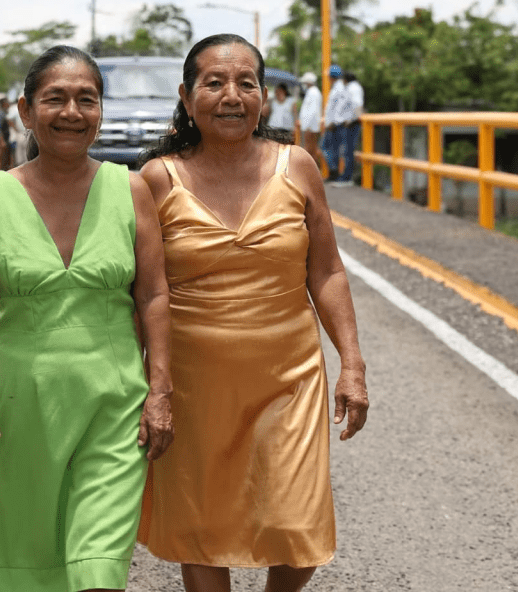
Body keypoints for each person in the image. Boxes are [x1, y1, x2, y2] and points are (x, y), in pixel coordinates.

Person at [136, 34, 369, 592]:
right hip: (193, 383)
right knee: (202, 527)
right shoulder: (156, 180)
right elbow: (140, 291)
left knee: (295, 524)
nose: (231, 95)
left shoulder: (298, 166)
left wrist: (353, 365)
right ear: (187, 96)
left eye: (246, 83)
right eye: (214, 83)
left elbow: (327, 271)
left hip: (288, 376)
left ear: (264, 96)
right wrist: (150, 387)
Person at [0, 46, 175, 592]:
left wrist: (161, 390)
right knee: (27, 563)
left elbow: (152, 294)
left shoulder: (131, 189)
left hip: (115, 401)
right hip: (22, 404)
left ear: (101, 111)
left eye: (87, 100)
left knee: (98, 569)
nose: (72, 112)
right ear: (27, 111)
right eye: (56, 99)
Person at [296, 71, 328, 176]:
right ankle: (314, 173)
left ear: (308, 82)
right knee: (312, 149)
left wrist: (308, 125)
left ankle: (313, 173)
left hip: (310, 126)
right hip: (310, 125)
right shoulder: (313, 92)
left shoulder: (313, 93)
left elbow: (313, 111)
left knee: (310, 149)